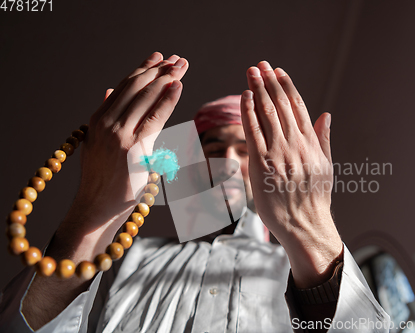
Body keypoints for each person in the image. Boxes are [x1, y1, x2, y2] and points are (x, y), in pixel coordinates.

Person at [0, 52, 389, 332]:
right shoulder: (129, 258)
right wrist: (92, 211)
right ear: (188, 167)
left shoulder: (302, 271)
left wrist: (310, 230)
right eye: (213, 149)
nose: (230, 163)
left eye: (248, 151)